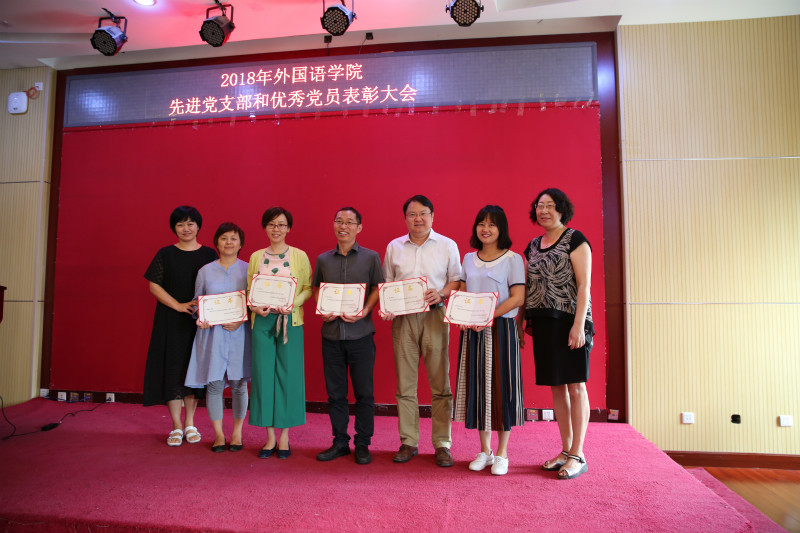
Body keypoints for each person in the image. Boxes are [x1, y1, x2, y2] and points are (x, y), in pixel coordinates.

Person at [382, 195, 461, 467]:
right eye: (412, 214)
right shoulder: (394, 247)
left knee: (440, 384)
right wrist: (387, 306)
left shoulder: (447, 245)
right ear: (405, 218)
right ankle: (408, 441)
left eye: (423, 213)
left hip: (435, 316)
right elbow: (388, 283)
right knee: (405, 384)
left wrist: (441, 294)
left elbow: (456, 281)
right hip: (403, 319)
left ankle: (442, 444)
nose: (418, 219)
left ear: (432, 216)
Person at [521, 188, 593, 480]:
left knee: (576, 386)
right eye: (540, 206)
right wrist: (521, 322)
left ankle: (578, 454)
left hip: (570, 321)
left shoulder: (575, 239)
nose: (544, 211)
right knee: (556, 388)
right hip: (544, 323)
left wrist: (579, 325)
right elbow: (527, 287)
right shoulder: (533, 245)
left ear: (562, 209)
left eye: (550, 205)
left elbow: (584, 285)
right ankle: (565, 449)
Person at [453, 205, 526, 476]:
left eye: (492, 224)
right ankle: (485, 451)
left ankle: (503, 453)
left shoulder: (513, 259)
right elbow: (462, 293)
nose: (485, 229)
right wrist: (460, 316)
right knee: (478, 388)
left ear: (501, 229)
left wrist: (487, 316)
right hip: (472, 331)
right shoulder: (468, 258)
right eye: (481, 223)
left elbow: (518, 298)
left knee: (503, 388)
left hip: (501, 330)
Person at [313, 207, 384, 465]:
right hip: (331, 335)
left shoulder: (371, 257)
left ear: (359, 227)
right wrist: (322, 308)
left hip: (361, 334)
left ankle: (363, 443)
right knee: (336, 394)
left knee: (364, 393)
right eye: (339, 221)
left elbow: (377, 287)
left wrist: (365, 310)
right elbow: (316, 288)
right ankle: (340, 442)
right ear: (334, 225)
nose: (343, 226)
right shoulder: (323, 259)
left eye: (350, 222)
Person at [143, 205, 219, 447]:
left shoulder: (209, 254)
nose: (186, 228)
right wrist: (177, 305)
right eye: (180, 224)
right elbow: (154, 285)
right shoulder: (165, 254)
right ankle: (176, 425)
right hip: (171, 321)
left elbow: (218, 285)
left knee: (193, 371)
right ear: (174, 228)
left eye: (190, 223)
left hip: (199, 323)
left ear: (198, 226)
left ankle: (190, 423)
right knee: (173, 370)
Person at [247, 207, 312, 459]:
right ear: (265, 227)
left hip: (290, 322)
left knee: (288, 376)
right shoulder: (256, 256)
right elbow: (249, 290)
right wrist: (254, 307)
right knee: (263, 377)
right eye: (272, 224)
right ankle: (269, 437)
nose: (276, 229)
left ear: (288, 228)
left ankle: (284, 436)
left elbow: (307, 288)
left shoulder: (299, 256)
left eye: (281, 225)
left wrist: (292, 304)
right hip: (262, 322)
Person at [185, 222, 251, 453]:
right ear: (217, 243)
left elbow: (253, 303)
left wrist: (242, 319)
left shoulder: (248, 269)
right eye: (224, 238)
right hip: (212, 336)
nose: (229, 242)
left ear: (240, 244)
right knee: (214, 384)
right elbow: (197, 302)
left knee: (239, 385)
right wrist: (200, 316)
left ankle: (237, 433)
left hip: (240, 334)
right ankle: (219, 435)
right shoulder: (205, 271)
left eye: (233, 238)